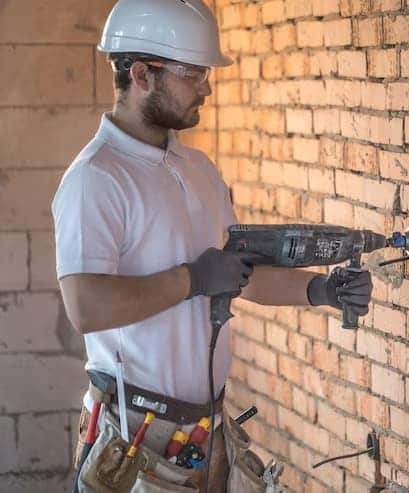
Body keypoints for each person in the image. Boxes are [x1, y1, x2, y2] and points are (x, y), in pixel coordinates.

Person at [52, 0, 372, 490]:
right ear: (141, 74)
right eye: (192, 74)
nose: (206, 86)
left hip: (207, 428)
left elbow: (242, 273)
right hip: (136, 437)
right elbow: (86, 307)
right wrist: (193, 280)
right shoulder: (96, 179)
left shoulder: (197, 169)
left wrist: (321, 291)